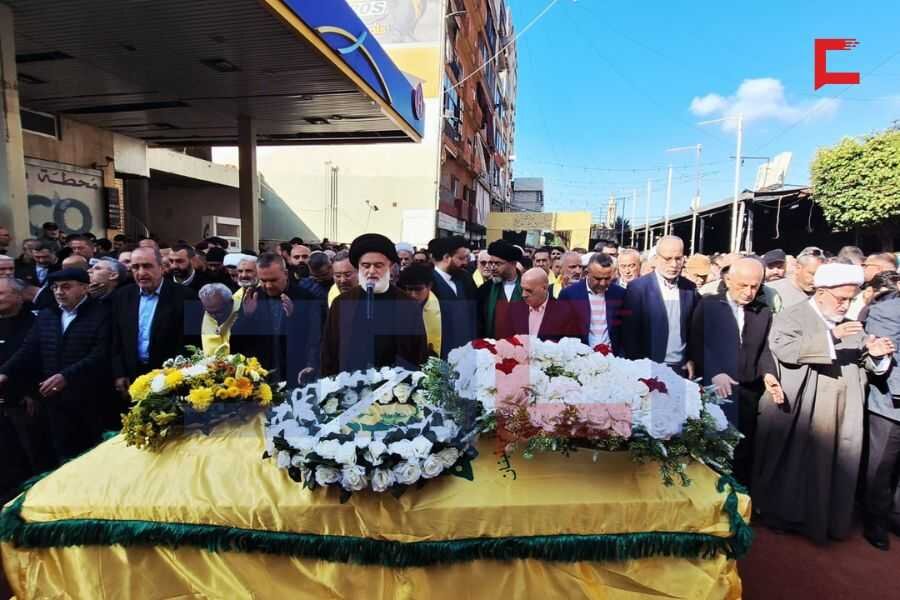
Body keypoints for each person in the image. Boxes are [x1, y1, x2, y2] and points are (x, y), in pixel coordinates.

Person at [754, 263, 895, 544]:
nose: (845, 305)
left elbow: (864, 359)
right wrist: (830, 337)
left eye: (850, 299)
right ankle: (786, 519)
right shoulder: (792, 315)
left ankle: (828, 522)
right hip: (802, 409)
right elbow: (785, 349)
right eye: (840, 298)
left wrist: (876, 354)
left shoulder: (849, 324)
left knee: (837, 468)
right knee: (795, 468)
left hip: (844, 410)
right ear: (820, 293)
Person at [0, 269, 111, 464]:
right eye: (55, 287)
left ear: (84, 288)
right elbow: (28, 350)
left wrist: (66, 376)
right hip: (55, 400)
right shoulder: (47, 315)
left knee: (95, 454)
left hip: (92, 398)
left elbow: (101, 354)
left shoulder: (102, 313)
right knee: (64, 455)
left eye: (66, 287)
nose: (59, 292)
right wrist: (5, 372)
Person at [688, 258, 781, 486]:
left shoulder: (763, 312)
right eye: (743, 285)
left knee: (743, 451)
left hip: (748, 391)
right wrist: (715, 372)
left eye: (755, 286)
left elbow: (764, 348)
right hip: (715, 390)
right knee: (714, 449)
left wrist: (769, 374)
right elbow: (697, 343)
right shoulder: (708, 305)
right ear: (728, 280)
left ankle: (739, 497)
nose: (749, 292)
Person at [321, 234, 427, 376]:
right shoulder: (341, 303)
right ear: (358, 268)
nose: (371, 271)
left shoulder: (408, 305)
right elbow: (330, 351)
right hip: (349, 384)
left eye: (378, 265)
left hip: (396, 385)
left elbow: (418, 353)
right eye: (366, 266)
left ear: (390, 267)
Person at [110, 247, 199, 399]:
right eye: (135, 267)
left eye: (147, 266)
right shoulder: (122, 296)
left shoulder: (187, 296)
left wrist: (174, 376)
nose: (141, 272)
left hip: (170, 378)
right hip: (131, 376)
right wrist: (119, 372)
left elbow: (192, 341)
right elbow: (115, 338)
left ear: (162, 268)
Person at [235, 253, 323, 384]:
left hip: (296, 373)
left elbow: (315, 337)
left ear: (285, 274)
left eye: (273, 280)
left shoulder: (306, 298)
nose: (268, 285)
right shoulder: (253, 297)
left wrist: (294, 317)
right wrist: (247, 316)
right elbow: (238, 339)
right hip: (261, 374)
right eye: (263, 281)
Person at [0, 278, 50, 498]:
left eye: (1, 294)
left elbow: (38, 360)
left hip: (24, 401)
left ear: (18, 296)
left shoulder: (35, 323)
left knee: (30, 454)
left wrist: (31, 393)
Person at [622, 236, 699, 378]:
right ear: (656, 259)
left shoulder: (690, 288)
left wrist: (690, 358)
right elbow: (630, 334)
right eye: (668, 259)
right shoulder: (638, 288)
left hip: (680, 368)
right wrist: (638, 368)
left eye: (678, 258)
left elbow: (693, 330)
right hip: (648, 369)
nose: (674, 264)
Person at [863, 276, 900, 550]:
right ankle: (875, 521)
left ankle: (896, 516)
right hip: (890, 404)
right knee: (881, 468)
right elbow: (880, 359)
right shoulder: (885, 311)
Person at [556, 252, 627, 353]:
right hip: (580, 357)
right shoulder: (569, 294)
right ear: (586, 273)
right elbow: (560, 331)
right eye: (598, 279)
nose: (602, 283)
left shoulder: (620, 294)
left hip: (613, 358)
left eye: (607, 278)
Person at [491, 267, 575, 341]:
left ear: (544, 288)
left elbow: (569, 346)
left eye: (529, 290)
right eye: (522, 289)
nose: (523, 295)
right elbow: (506, 342)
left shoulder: (564, 312)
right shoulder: (514, 310)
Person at [429, 236, 477, 357]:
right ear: (446, 257)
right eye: (460, 258)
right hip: (440, 350)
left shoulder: (465, 279)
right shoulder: (428, 282)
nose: (465, 263)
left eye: (466, 258)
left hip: (466, 349)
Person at [477, 241, 523, 338]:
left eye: (498, 263)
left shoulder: (527, 286)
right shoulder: (485, 289)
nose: (492, 267)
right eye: (491, 263)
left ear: (513, 263)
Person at [398, 263, 442, 356]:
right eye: (409, 289)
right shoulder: (397, 307)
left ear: (429, 286)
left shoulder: (443, 307)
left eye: (418, 289)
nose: (413, 295)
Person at [764, 247, 824, 312]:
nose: (816, 280)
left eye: (820, 275)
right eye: (812, 274)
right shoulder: (770, 291)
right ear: (798, 268)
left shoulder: (823, 294)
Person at [199, 283, 242, 356]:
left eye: (218, 312)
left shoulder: (244, 305)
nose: (214, 316)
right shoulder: (208, 315)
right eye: (210, 312)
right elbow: (211, 355)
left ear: (231, 302)